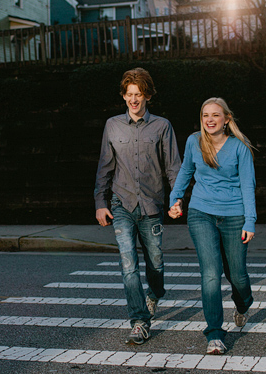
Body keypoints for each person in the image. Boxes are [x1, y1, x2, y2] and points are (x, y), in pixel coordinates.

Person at [94, 67, 181, 346]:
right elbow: (104, 168)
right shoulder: (112, 125)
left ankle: (155, 294)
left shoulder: (162, 126)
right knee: (128, 263)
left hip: (152, 206)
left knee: (155, 263)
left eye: (139, 95)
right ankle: (139, 321)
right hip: (121, 204)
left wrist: (177, 199)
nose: (134, 100)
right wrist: (100, 203)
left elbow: (173, 168)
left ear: (148, 96)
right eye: (129, 94)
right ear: (123, 96)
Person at [168, 97, 256, 355]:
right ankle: (215, 333)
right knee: (211, 273)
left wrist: (250, 220)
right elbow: (185, 172)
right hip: (201, 213)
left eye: (215, 115)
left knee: (238, 276)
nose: (209, 119)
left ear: (226, 119)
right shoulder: (195, 141)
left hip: (234, 216)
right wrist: (176, 199)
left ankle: (243, 305)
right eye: (205, 115)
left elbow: (247, 186)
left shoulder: (240, 148)